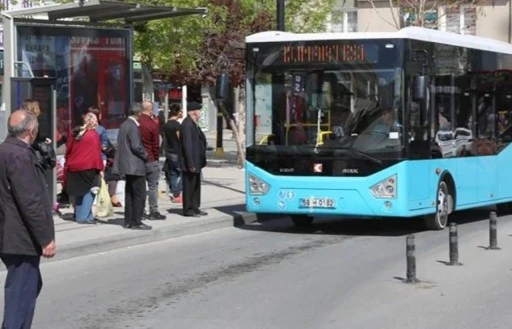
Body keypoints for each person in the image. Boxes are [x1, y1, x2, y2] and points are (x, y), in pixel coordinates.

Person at [0, 110, 56, 328]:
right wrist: (45, 238)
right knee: (21, 295)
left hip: (9, 232)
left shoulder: (5, 151)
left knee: (29, 286)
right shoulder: (20, 156)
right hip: (20, 236)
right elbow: (30, 201)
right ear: (31, 131)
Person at [113, 103, 152, 230]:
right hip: (135, 165)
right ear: (139, 113)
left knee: (129, 193)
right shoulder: (133, 126)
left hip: (126, 164)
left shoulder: (124, 124)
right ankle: (136, 221)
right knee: (139, 194)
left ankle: (128, 220)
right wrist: (146, 155)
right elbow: (136, 146)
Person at [64, 113, 104, 224]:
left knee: (79, 191)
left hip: (74, 166)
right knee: (90, 191)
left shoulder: (74, 133)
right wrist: (100, 169)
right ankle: (83, 216)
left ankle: (85, 215)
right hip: (89, 166)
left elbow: (68, 150)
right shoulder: (93, 135)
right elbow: (97, 154)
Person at [139, 101, 166, 220]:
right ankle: (153, 210)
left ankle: (141, 210)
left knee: (140, 186)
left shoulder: (137, 123)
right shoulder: (152, 124)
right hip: (150, 158)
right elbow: (155, 144)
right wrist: (156, 158)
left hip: (138, 159)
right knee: (153, 186)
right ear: (150, 110)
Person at [180, 101, 208, 217]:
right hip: (190, 162)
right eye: (198, 110)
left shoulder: (194, 123)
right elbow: (187, 146)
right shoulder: (187, 124)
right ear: (193, 111)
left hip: (197, 161)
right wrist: (190, 163)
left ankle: (195, 207)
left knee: (196, 186)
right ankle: (188, 209)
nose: (200, 112)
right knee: (189, 186)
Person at [162, 104, 183, 203]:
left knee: (173, 173)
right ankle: (176, 192)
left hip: (168, 151)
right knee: (184, 173)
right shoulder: (177, 125)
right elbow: (180, 138)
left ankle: (174, 195)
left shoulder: (166, 125)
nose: (182, 113)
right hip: (177, 152)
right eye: (181, 111)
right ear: (177, 112)